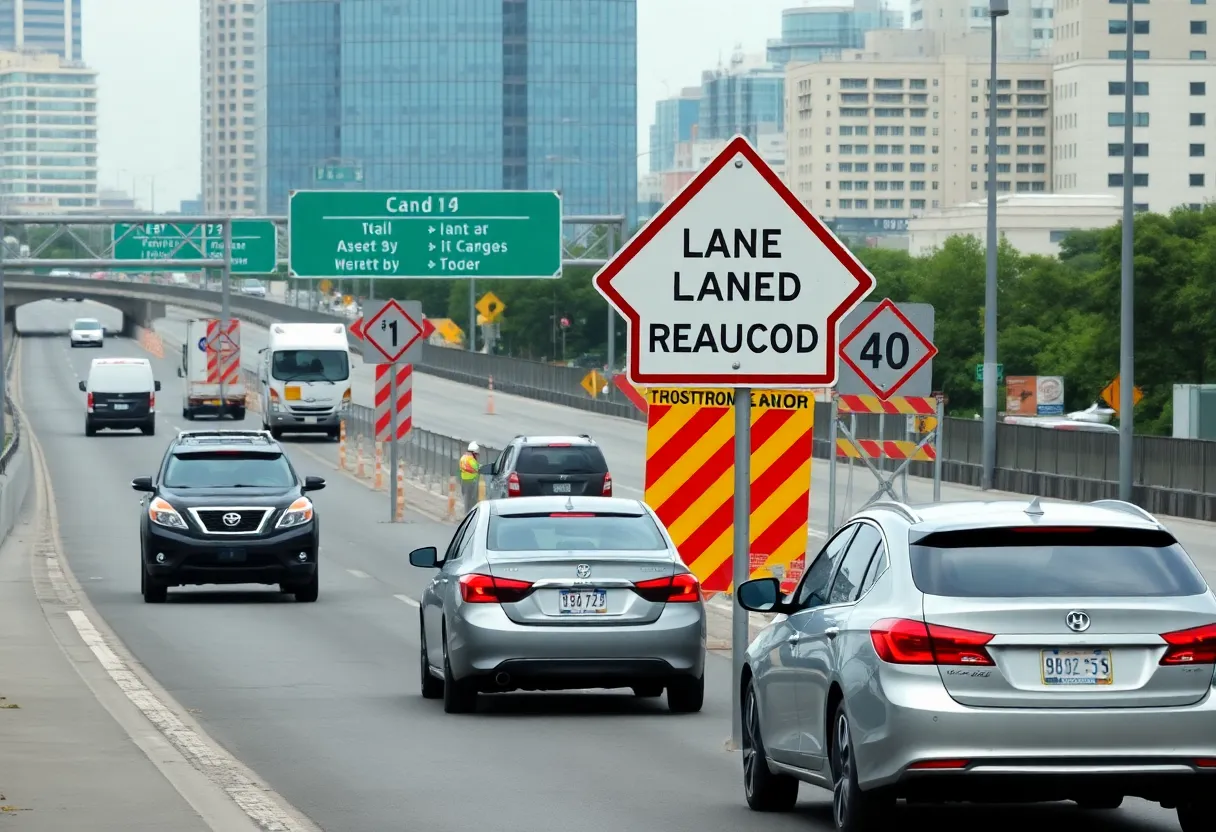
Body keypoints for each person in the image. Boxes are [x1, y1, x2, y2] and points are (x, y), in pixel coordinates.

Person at [459, 442, 481, 508]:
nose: (477, 456)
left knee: (466, 499)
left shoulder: (463, 458)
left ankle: (466, 513)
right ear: (474, 452)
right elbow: (478, 468)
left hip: (463, 481)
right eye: (476, 454)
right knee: (472, 501)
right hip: (471, 482)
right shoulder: (471, 460)